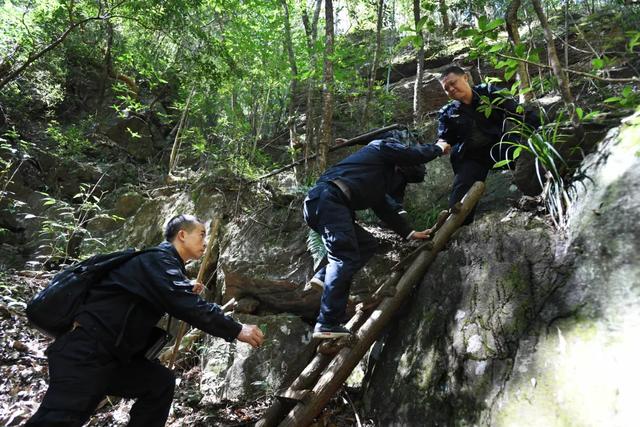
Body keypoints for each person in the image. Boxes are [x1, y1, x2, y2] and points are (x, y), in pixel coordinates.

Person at [26, 214, 264, 427]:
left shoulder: (161, 267)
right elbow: (185, 304)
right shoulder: (158, 260)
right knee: (60, 419)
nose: (205, 241)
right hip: (86, 351)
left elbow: (167, 294)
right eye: (201, 234)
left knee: (159, 383)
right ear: (182, 235)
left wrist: (183, 287)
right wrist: (236, 329)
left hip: (110, 357)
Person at [303, 136, 450, 339]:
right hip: (329, 200)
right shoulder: (382, 147)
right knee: (345, 257)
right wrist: (438, 148)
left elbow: (384, 209)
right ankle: (327, 323)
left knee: (366, 244)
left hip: (324, 203)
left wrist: (409, 233)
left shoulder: (376, 177)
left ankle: (323, 276)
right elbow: (412, 154)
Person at [436, 65, 539, 223]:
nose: (451, 89)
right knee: (458, 200)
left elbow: (517, 112)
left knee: (525, 155)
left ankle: (539, 197)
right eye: (446, 88)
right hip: (470, 158)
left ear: (465, 77)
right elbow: (444, 138)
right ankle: (455, 233)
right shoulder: (447, 112)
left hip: (498, 147)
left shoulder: (488, 92)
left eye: (453, 83)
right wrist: (440, 146)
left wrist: (541, 127)